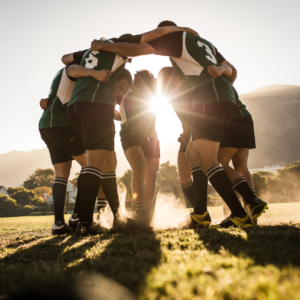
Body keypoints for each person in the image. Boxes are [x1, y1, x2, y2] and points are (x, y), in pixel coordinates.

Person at [91, 20, 257, 229]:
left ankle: (242, 212)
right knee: (195, 155)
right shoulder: (205, 44)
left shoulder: (176, 38)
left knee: (209, 160)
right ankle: (203, 212)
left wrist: (106, 46)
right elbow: (232, 72)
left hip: (208, 99)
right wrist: (220, 72)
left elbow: (138, 48)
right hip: (227, 100)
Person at [68, 26, 201, 235]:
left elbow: (67, 61)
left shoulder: (92, 54)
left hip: (143, 133)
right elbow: (155, 36)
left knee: (135, 171)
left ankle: (138, 216)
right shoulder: (120, 63)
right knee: (124, 167)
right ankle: (93, 219)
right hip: (117, 124)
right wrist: (182, 30)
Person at [38, 49, 111, 235]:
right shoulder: (77, 68)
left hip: (49, 124)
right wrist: (94, 73)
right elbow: (70, 67)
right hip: (60, 124)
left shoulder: (71, 69)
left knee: (61, 175)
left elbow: (65, 61)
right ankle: (77, 216)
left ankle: (58, 225)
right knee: (90, 166)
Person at [115, 70, 159, 227]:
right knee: (139, 167)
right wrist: (118, 114)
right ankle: (140, 211)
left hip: (151, 137)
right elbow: (111, 108)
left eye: (142, 83)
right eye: (136, 82)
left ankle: (146, 212)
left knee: (152, 174)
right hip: (130, 135)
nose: (137, 85)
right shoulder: (124, 94)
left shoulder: (152, 95)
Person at [218, 88, 268, 223]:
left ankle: (251, 203)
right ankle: (251, 212)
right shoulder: (224, 79)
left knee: (218, 166)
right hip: (245, 118)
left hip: (231, 121)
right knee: (241, 167)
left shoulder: (210, 79)